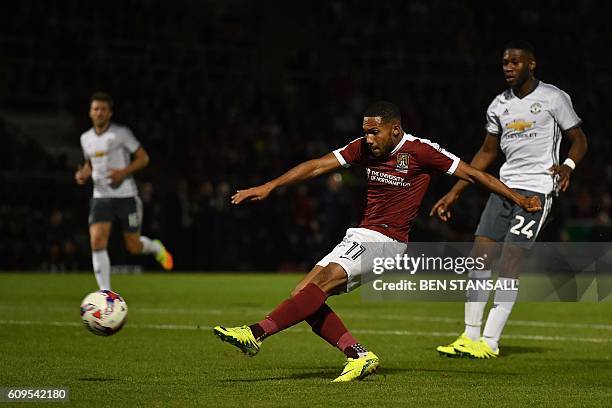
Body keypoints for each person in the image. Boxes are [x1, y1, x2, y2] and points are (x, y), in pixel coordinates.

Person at [213, 101, 542, 382]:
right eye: (366, 132)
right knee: (302, 294)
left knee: (322, 284)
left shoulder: (420, 151)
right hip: (361, 234)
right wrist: (269, 186)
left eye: (375, 132)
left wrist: (520, 199)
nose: (368, 139)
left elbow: (474, 174)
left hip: (387, 240)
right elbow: (316, 166)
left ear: (395, 130)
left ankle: (255, 333)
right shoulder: (361, 148)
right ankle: (358, 355)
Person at [434, 41, 588, 358]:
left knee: (510, 261)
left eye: (515, 62)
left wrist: (568, 166)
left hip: (537, 190)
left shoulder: (553, 97)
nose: (508, 67)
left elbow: (579, 140)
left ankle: (490, 342)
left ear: (532, 64)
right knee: (480, 257)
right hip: (505, 189)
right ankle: (469, 336)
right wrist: (455, 191)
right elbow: (487, 153)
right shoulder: (498, 105)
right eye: (505, 62)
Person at [75, 91, 174, 290]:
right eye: (96, 109)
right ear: (90, 113)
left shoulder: (121, 134)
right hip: (101, 197)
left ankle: (155, 247)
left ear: (110, 113)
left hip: (126, 196)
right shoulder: (85, 138)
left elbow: (143, 158)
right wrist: (83, 174)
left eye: (103, 109)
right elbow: (90, 163)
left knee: (133, 246)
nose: (99, 113)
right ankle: (105, 293)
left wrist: (123, 172)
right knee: (97, 241)